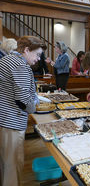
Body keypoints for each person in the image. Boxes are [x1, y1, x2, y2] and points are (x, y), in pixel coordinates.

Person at [0, 36, 46, 186]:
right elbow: (22, 100)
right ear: (26, 50)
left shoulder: (7, 59)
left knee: (5, 164)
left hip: (4, 118)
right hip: (11, 121)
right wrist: (34, 105)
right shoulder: (20, 64)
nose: (38, 59)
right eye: (37, 54)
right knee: (12, 166)